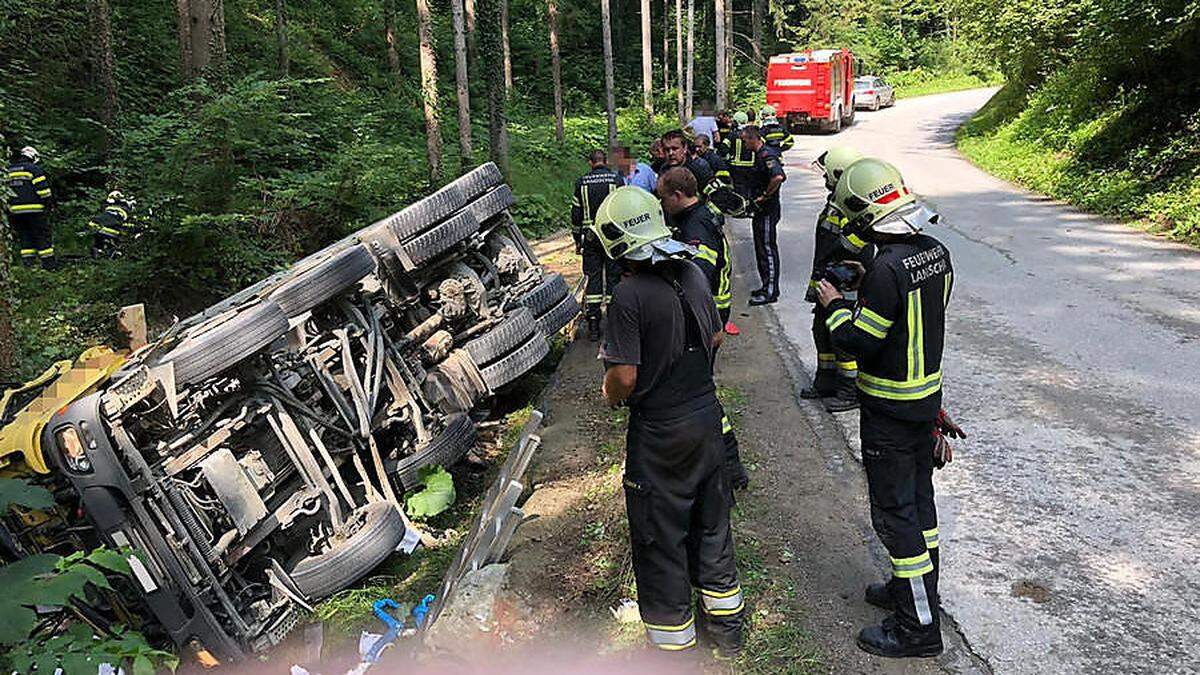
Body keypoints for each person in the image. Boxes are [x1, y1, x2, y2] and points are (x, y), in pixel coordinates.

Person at [593, 186, 744, 656]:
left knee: (660, 536)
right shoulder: (695, 274)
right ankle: (727, 629)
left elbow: (624, 375)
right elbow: (716, 335)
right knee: (712, 523)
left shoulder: (628, 296)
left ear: (616, 243)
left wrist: (611, 395)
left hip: (660, 434)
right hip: (707, 420)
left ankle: (673, 648)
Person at [815, 157, 955, 658]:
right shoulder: (935, 253)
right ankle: (916, 594)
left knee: (896, 516)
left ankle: (917, 628)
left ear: (860, 212)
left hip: (890, 412)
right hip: (924, 404)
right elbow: (915, 323)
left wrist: (834, 303)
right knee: (920, 506)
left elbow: (857, 343)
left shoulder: (885, 269)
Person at [657, 167, 749, 490]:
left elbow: (699, 274)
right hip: (708, 315)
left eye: (663, 197)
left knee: (700, 392)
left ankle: (729, 463)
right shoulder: (696, 215)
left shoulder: (696, 226)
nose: (661, 203)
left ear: (678, 196)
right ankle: (723, 462)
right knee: (699, 388)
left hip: (705, 317)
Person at [804, 147, 866, 411]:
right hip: (827, 278)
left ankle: (850, 390)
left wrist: (841, 259)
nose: (823, 177)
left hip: (845, 283)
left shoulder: (854, 204)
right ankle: (826, 381)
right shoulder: (836, 199)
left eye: (827, 172)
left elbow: (860, 244)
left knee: (842, 338)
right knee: (822, 330)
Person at [571, 149, 625, 340]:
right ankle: (614, 321)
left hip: (591, 238)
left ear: (590, 162)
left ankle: (593, 323)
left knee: (593, 277)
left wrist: (577, 240)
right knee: (613, 277)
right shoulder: (616, 180)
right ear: (605, 161)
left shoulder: (581, 183)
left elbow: (576, 214)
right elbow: (623, 209)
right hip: (612, 237)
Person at [742, 127, 786, 305]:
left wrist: (765, 196)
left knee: (767, 250)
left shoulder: (767, 155)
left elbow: (778, 177)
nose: (744, 145)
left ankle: (770, 292)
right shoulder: (758, 155)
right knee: (760, 249)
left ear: (754, 139)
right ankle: (765, 285)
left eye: (745, 141)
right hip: (760, 211)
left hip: (768, 210)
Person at [5, 146, 56, 269]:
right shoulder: (34, 169)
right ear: (33, 157)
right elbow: (44, 192)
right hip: (34, 210)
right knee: (41, 236)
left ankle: (29, 266)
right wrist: (50, 205)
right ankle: (49, 266)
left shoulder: (9, 170)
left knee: (25, 237)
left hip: (14, 211)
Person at [89, 190, 138, 258]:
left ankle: (99, 251)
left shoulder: (109, 208)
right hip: (110, 229)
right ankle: (114, 252)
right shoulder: (124, 210)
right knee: (119, 236)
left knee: (99, 240)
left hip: (96, 225)